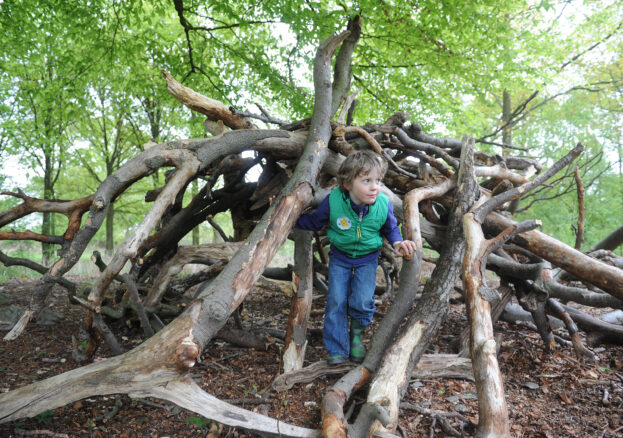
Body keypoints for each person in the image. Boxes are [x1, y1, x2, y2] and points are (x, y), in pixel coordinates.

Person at [295, 150, 416, 365]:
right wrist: (288, 215)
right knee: (336, 301)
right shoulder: (334, 201)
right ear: (348, 183)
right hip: (340, 258)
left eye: (378, 181)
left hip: (367, 259)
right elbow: (313, 222)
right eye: (367, 180)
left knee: (362, 300)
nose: (374, 187)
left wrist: (398, 243)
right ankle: (337, 349)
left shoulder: (383, 204)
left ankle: (357, 336)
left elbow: (390, 229)